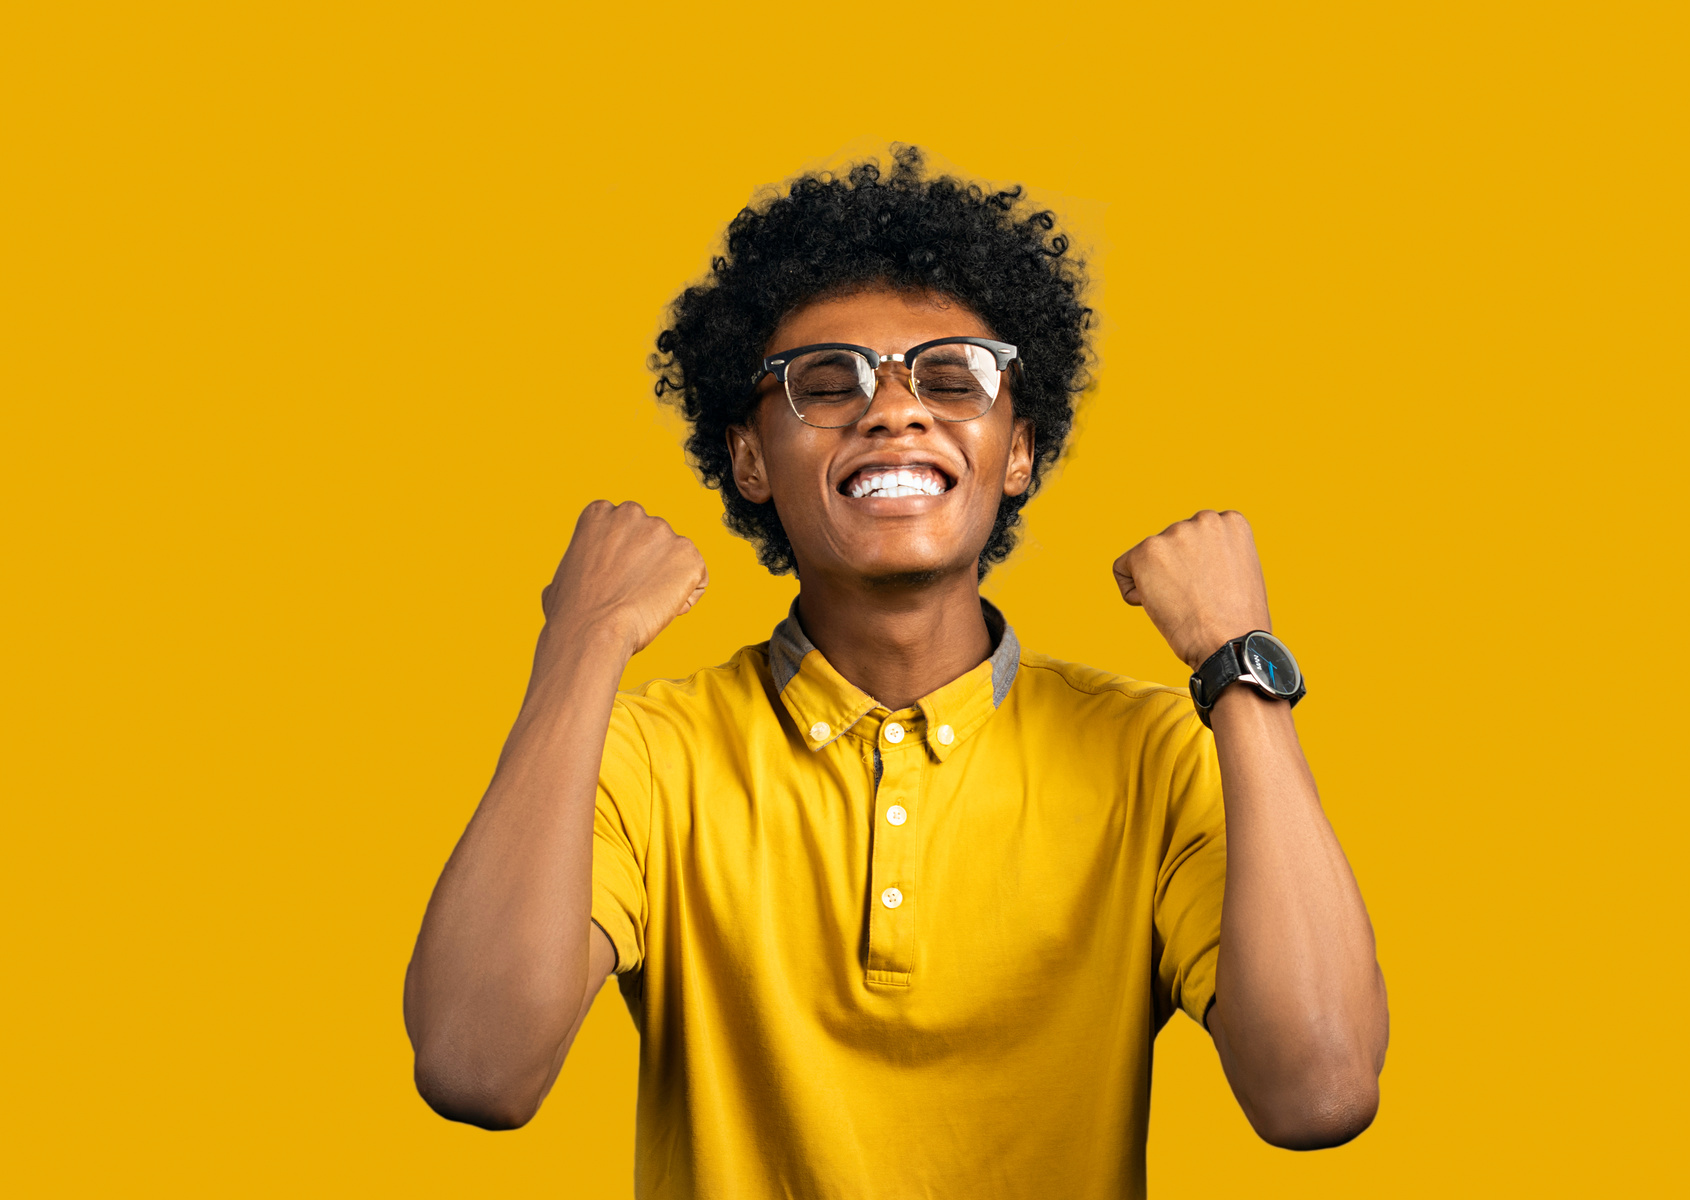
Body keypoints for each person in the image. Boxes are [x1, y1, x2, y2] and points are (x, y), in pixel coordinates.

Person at [403, 146, 1387, 1198]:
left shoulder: (1152, 752)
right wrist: (580, 642)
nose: (895, 411)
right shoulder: (648, 756)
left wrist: (1240, 666)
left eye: (954, 376)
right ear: (748, 460)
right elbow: (476, 1067)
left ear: (1019, 451)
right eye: (828, 383)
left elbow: (1319, 1092)